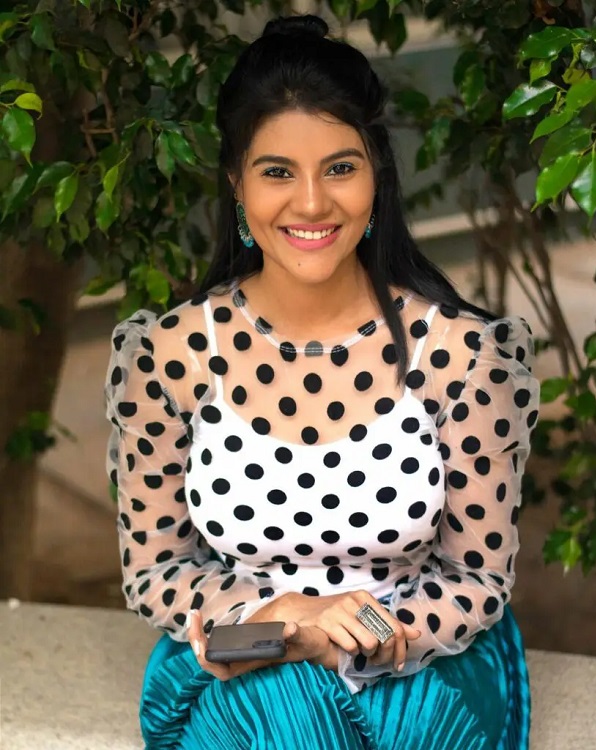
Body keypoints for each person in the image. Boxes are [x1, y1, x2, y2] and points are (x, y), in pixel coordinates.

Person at [104, 13, 540, 750]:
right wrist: (282, 622)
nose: (311, 203)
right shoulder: (171, 356)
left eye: (339, 168)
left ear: (377, 177)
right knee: (285, 714)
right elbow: (157, 568)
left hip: (417, 653)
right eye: (278, 172)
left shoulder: (463, 357)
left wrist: (345, 634)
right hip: (241, 650)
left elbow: (476, 580)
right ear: (237, 184)